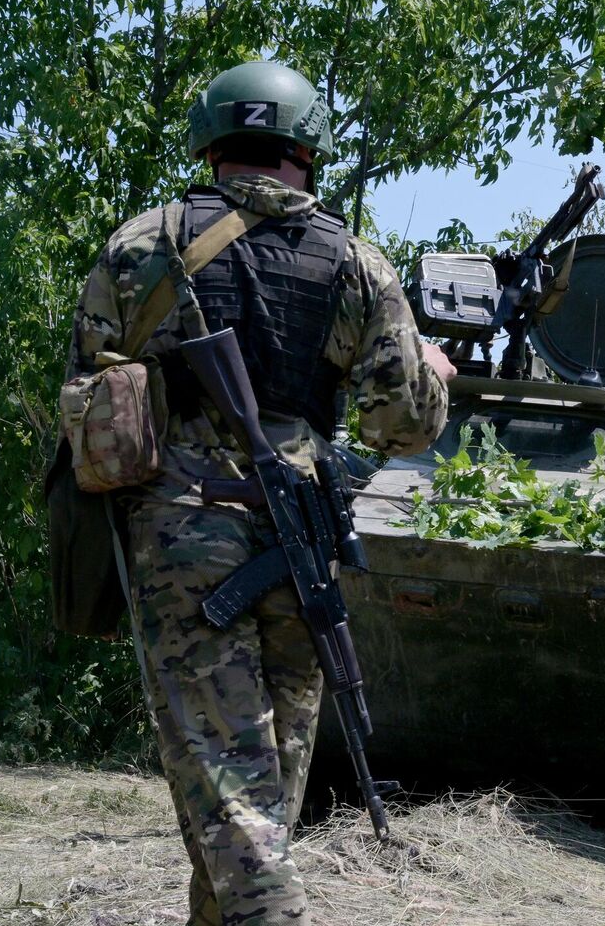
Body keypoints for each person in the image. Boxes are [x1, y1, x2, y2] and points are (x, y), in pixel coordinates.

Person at [65, 60, 454, 925]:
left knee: (228, 792)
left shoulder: (142, 244)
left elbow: (92, 397)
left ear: (213, 143)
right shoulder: (356, 262)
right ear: (305, 148)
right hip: (299, 543)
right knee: (257, 793)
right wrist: (432, 373)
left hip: (184, 540)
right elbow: (405, 427)